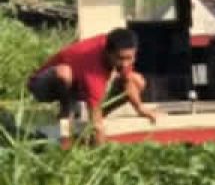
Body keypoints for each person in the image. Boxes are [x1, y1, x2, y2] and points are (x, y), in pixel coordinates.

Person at [28, 27, 158, 144]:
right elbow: (97, 126)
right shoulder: (94, 73)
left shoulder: (118, 48)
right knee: (65, 75)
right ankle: (65, 131)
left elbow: (128, 80)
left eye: (130, 58)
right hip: (42, 85)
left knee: (137, 80)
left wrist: (140, 108)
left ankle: (90, 118)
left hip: (76, 83)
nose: (125, 63)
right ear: (108, 53)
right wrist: (101, 151)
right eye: (121, 58)